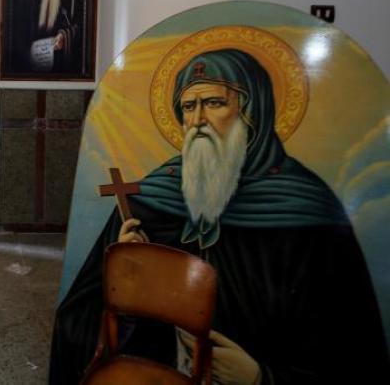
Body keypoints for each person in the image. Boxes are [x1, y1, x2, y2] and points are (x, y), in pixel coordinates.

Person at [50, 49, 389, 384]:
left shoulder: (308, 214)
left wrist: (261, 378)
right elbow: (76, 319)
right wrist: (123, 282)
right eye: (188, 106)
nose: (197, 121)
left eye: (214, 103)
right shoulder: (151, 200)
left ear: (252, 111)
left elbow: (353, 350)